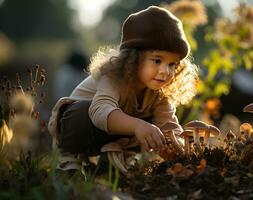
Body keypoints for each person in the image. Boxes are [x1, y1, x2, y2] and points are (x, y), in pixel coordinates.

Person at [48, 5, 199, 177]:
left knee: (151, 125)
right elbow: (99, 111)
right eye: (157, 61)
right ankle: (69, 158)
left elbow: (168, 126)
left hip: (110, 135)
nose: (165, 71)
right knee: (86, 112)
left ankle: (113, 159)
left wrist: (177, 147)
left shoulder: (158, 91)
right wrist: (138, 125)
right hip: (76, 127)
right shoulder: (113, 75)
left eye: (172, 64)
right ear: (133, 58)